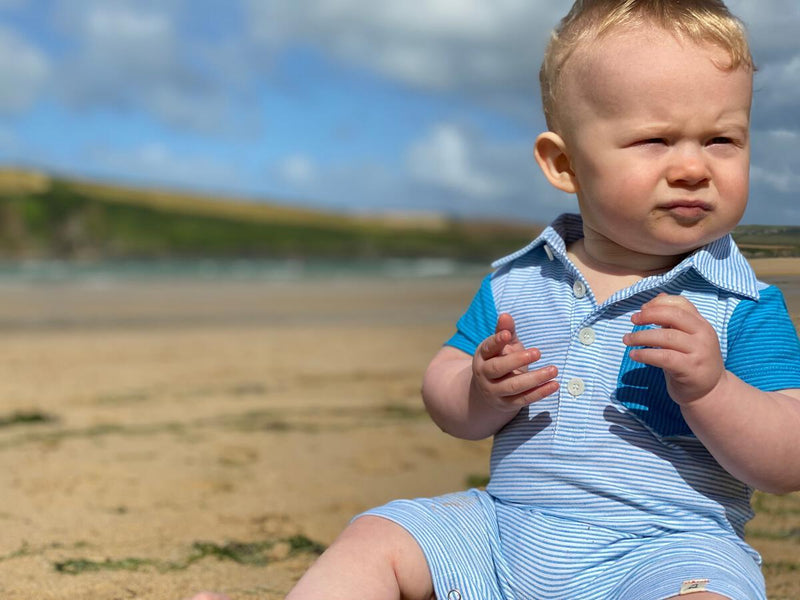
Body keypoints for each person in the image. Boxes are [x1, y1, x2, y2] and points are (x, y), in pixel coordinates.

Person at [191, 1, 800, 598]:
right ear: (564, 163)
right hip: (502, 532)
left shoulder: (741, 303)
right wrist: (479, 390)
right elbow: (447, 392)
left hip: (665, 550)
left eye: (723, 139)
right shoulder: (519, 281)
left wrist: (714, 392)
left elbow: (786, 461)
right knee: (380, 535)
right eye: (655, 140)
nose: (692, 167)